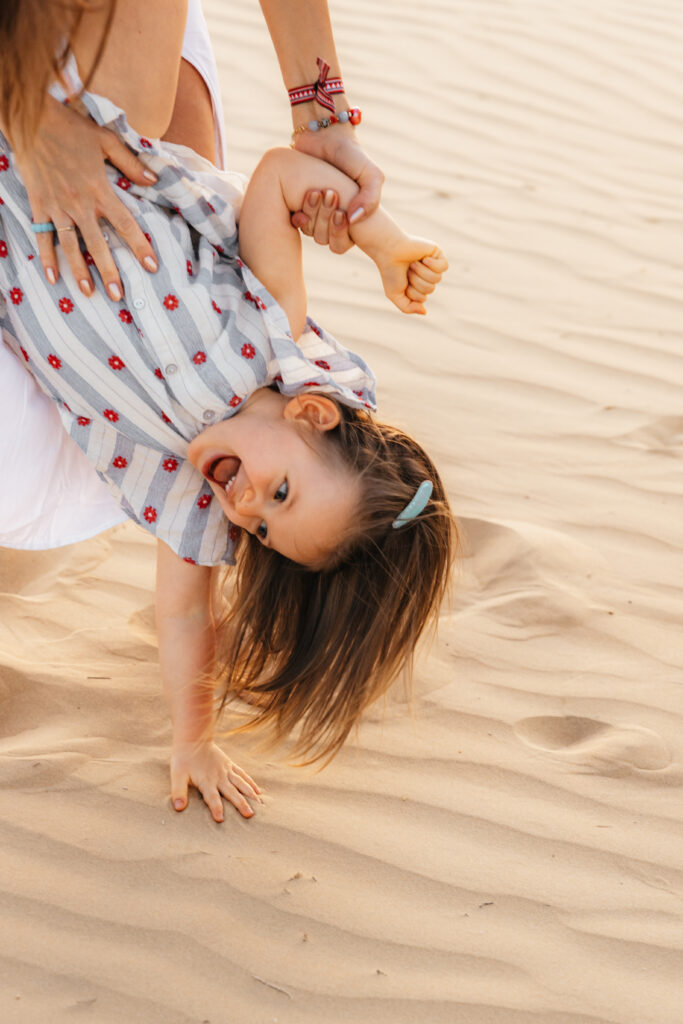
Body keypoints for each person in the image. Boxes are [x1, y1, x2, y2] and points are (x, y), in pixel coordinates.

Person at [0, 0, 455, 822]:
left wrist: (193, 742)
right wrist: (382, 241)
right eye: (279, 493)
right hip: (86, 119)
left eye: (263, 531)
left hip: (10, 232)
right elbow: (279, 175)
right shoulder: (271, 324)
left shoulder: (185, 492)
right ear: (310, 416)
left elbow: (185, 614)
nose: (245, 506)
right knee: (130, 98)